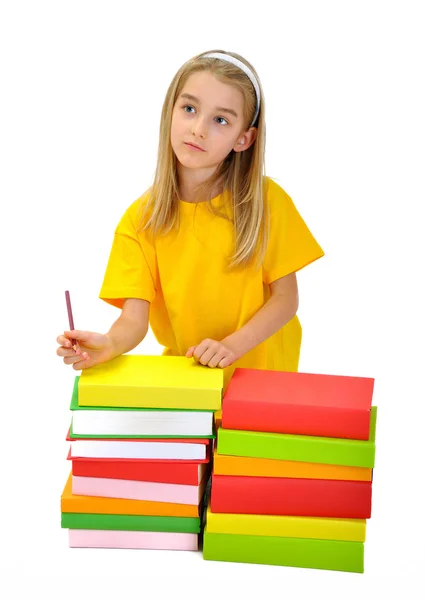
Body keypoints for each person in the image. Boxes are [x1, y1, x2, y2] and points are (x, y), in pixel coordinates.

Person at [56, 49, 324, 383]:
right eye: (189, 109)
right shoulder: (140, 221)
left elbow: (286, 300)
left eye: (220, 119)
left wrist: (231, 347)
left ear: (244, 138)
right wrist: (109, 344)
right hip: (190, 382)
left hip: (265, 382)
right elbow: (134, 320)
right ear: (170, 112)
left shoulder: (267, 202)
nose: (198, 129)